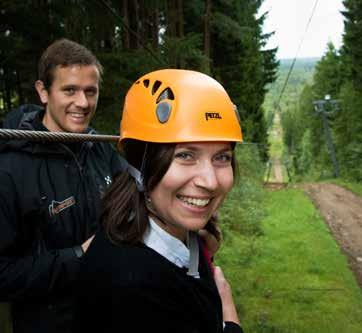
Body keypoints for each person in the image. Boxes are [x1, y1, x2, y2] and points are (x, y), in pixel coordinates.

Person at [73, 69, 244, 332]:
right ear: (139, 164)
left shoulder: (153, 231)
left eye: (221, 157)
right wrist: (230, 319)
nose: (210, 181)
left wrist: (197, 251)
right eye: (186, 155)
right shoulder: (132, 292)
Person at [0, 39, 124, 333]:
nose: (82, 103)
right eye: (70, 90)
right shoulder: (10, 169)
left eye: (90, 91)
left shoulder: (101, 149)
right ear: (43, 91)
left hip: (110, 315)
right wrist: (79, 256)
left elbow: (134, 203)